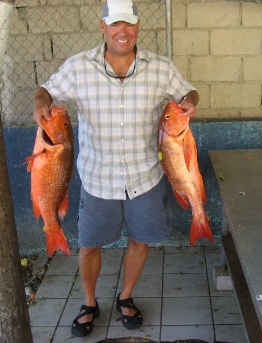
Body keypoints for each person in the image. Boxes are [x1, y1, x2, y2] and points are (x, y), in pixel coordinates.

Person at [33, 0, 199, 338]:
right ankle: (90, 302)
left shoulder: (160, 67)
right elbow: (46, 91)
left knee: (140, 241)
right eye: (115, 24)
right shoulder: (79, 68)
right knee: (90, 245)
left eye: (128, 24)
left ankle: (125, 297)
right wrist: (40, 102)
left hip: (145, 177)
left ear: (137, 26)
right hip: (98, 179)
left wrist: (191, 100)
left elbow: (187, 91)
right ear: (103, 27)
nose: (122, 31)